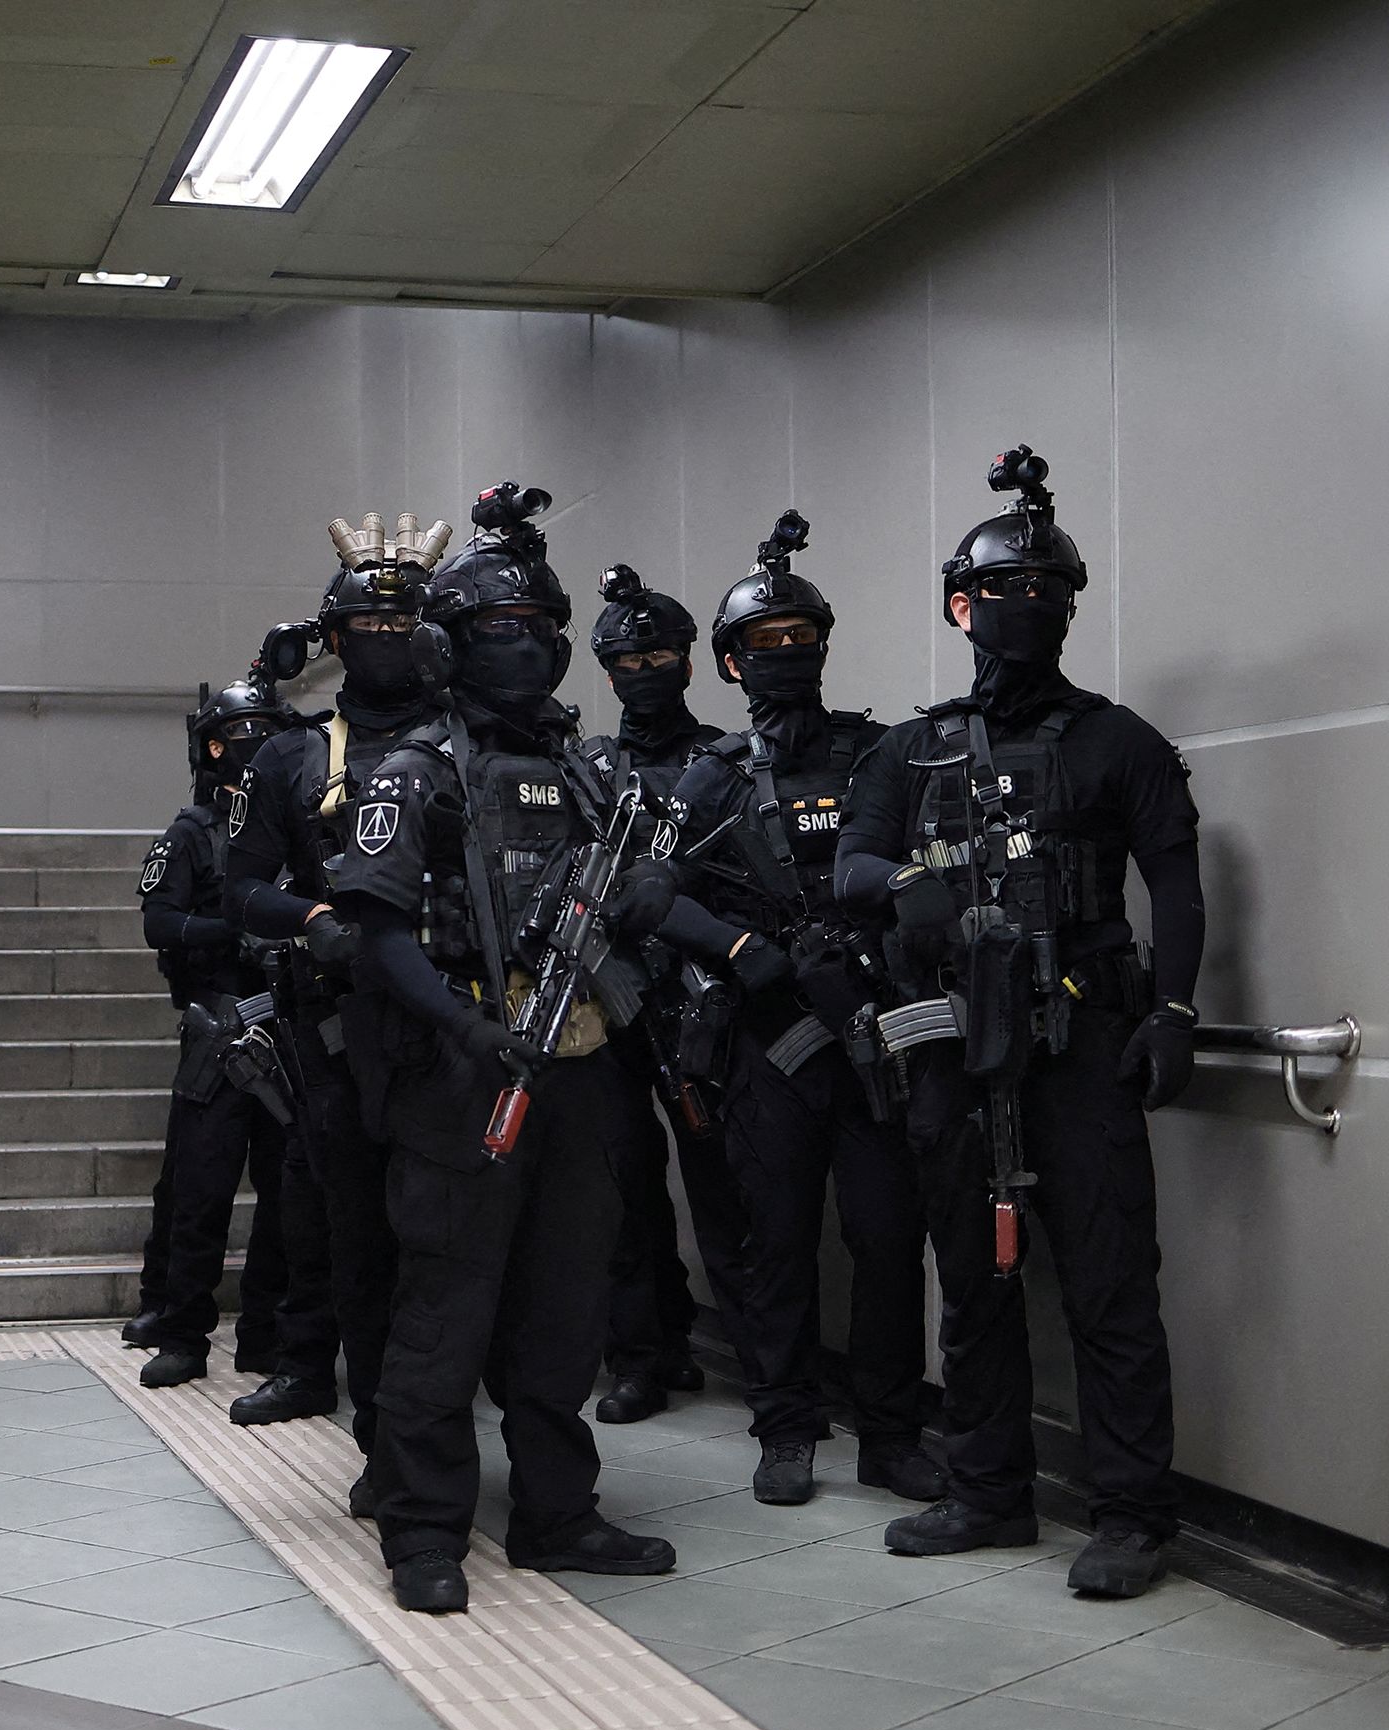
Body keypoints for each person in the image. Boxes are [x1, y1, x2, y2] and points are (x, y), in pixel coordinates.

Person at [834, 448, 1205, 1601]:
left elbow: (1177, 884)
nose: (1027, 611)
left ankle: (1135, 1513)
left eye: (1050, 595)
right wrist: (905, 888)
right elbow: (849, 862)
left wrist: (1179, 1010)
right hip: (957, 1037)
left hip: (1084, 1034)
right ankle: (988, 1488)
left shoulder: (1119, 740)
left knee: (1107, 1278)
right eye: (1005, 593)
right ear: (962, 604)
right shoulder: (913, 747)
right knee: (972, 1268)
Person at [331, 482, 681, 1612]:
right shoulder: (414, 768)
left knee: (564, 1302)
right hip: (464, 1070)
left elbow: (623, 889)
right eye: (495, 630)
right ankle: (424, 1524)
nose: (521, 650)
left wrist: (642, 900)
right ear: (449, 642)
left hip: (577, 1062)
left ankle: (556, 1511)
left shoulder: (588, 772)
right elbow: (377, 930)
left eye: (539, 631)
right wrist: (466, 1025)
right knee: (444, 1303)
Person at [654, 515, 942, 1506]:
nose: (786, 658)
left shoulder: (878, 755)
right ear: (730, 663)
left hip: (872, 1027)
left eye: (800, 640)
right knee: (772, 1242)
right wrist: (746, 951)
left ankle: (893, 1432)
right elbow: (650, 896)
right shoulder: (712, 776)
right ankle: (785, 1425)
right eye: (764, 645)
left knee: (887, 1238)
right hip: (768, 1037)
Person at [223, 513, 455, 1477]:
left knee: (453, 1244)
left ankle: (440, 1437)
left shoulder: (472, 746)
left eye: (405, 630)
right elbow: (241, 886)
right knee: (353, 1238)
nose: (386, 646)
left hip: (460, 1021)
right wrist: (311, 920)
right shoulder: (290, 757)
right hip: (333, 1026)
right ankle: (384, 1449)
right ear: (335, 638)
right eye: (366, 630)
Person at [125, 676, 335, 1395]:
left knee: (287, 1199)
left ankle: (266, 1337)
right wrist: (238, 928)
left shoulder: (296, 824)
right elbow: (159, 921)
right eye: (243, 733)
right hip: (220, 1027)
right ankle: (182, 1331)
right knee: (201, 1191)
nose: (256, 746)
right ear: (213, 746)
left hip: (288, 1025)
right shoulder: (192, 833)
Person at [577, 566, 747, 1424]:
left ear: (689, 661)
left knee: (726, 1185)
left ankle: (765, 1360)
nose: (644, 670)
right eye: (628, 659)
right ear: (607, 672)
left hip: (702, 998)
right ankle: (645, 1352)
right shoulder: (587, 768)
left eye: (660, 655)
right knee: (623, 1185)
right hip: (609, 1000)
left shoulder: (723, 762)